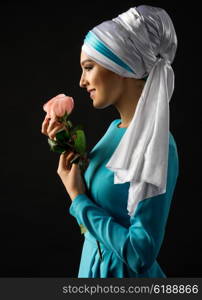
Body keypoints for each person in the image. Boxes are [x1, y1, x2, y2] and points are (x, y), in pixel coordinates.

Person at [41, 5, 179, 278]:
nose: (82, 82)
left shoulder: (156, 147)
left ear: (121, 67)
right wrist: (67, 144)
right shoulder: (115, 128)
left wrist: (77, 198)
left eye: (89, 68)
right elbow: (104, 204)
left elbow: (140, 255)